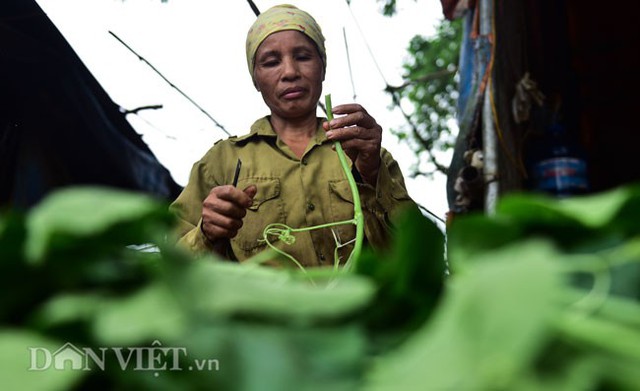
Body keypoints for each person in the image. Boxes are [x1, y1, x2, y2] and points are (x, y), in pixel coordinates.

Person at [169, 4, 417, 267]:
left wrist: (371, 174)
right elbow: (172, 265)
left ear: (323, 67)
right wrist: (205, 233)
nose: (290, 72)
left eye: (303, 56)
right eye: (271, 62)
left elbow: (414, 258)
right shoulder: (221, 162)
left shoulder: (364, 151)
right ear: (255, 78)